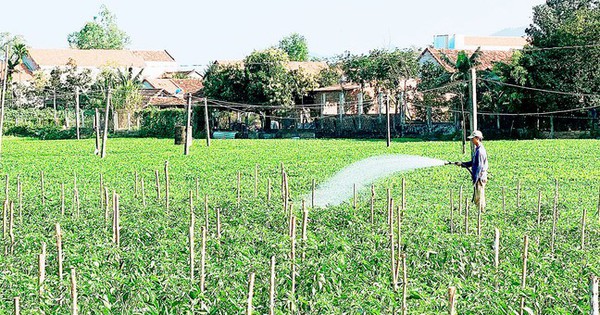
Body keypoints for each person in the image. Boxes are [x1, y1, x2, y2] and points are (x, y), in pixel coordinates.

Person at [455, 130, 488, 210]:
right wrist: (462, 164)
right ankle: (479, 212)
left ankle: (481, 213)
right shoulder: (477, 149)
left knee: (479, 197)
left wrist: (475, 178)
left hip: (480, 177)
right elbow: (473, 163)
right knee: (477, 197)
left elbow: (479, 167)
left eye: (473, 138)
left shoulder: (480, 151)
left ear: (477, 138)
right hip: (479, 177)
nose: (472, 140)